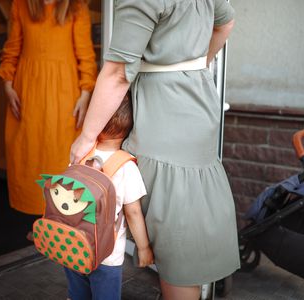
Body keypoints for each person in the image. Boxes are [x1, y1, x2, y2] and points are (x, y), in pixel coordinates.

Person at [70, 0, 240, 299]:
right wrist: (190, 68)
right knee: (185, 217)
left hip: (165, 116)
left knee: (173, 227)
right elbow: (225, 23)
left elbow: (119, 73)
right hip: (198, 106)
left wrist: (86, 137)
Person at [0, 0, 97, 219]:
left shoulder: (76, 6)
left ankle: (61, 219)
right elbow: (12, 48)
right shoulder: (21, 5)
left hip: (64, 93)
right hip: (28, 92)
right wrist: (7, 86)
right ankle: (40, 220)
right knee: (29, 152)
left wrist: (85, 94)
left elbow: (86, 55)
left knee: (60, 154)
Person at [65, 92, 154, 300]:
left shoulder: (81, 154)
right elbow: (132, 212)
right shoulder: (126, 167)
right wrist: (143, 248)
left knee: (76, 296)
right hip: (106, 256)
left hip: (73, 245)